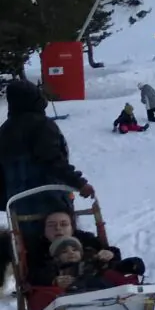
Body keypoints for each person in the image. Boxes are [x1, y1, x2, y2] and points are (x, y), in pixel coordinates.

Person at [0, 78, 92, 259]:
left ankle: (39, 282)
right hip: (51, 200)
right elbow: (52, 160)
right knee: (63, 244)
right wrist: (79, 183)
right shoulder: (42, 124)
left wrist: (7, 201)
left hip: (20, 205)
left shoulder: (4, 131)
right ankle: (77, 276)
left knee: (33, 252)